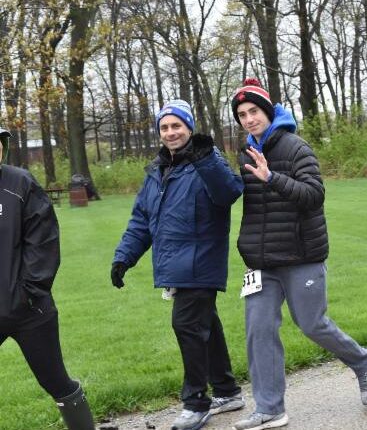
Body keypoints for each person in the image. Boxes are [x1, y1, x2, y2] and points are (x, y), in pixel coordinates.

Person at [230, 78, 367, 430]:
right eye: (242, 115)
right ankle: (269, 408)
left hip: (301, 255)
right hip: (261, 261)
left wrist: (271, 178)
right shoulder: (246, 153)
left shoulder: (296, 148)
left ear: (267, 111)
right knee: (259, 329)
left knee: (312, 324)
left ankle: (362, 361)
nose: (249, 119)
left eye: (254, 111)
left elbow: (314, 195)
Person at [111, 100, 244, 430]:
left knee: (186, 325)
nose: (170, 132)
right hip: (175, 265)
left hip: (201, 263)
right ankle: (227, 392)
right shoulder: (157, 171)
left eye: (176, 126)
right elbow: (141, 220)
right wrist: (124, 257)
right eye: (164, 127)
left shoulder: (206, 161)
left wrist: (207, 158)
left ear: (189, 127)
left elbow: (229, 192)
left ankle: (197, 403)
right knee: (205, 327)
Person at [0, 130, 95, 430]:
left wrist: (28, 292)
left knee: (55, 379)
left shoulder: (20, 183)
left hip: (29, 310)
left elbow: (44, 241)